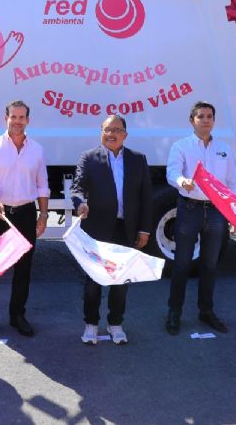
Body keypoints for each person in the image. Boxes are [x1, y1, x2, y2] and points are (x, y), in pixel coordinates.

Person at [71, 114, 152, 345]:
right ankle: (91, 324)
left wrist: (145, 230)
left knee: (120, 282)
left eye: (116, 130)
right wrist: (80, 203)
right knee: (93, 282)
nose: (111, 134)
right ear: (101, 132)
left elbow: (146, 198)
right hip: (96, 230)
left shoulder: (137, 159)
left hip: (125, 230)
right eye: (107, 129)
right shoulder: (89, 158)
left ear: (125, 134)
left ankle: (116, 324)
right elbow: (77, 188)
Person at [0, 100, 50, 342]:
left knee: (23, 269)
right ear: (5, 118)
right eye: (13, 117)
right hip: (0, 213)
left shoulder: (36, 150)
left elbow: (42, 185)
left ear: (28, 120)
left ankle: (18, 316)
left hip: (26, 213)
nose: (17, 121)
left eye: (22, 117)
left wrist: (44, 214)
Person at [165, 101, 235, 335]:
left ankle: (206, 311)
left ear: (214, 121)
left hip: (216, 211)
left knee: (210, 265)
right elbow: (172, 173)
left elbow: (230, 182)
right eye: (200, 116)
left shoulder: (224, 148)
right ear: (191, 120)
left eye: (209, 116)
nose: (205, 120)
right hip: (189, 209)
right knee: (182, 264)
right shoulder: (181, 146)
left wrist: (234, 211)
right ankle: (174, 312)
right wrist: (182, 181)